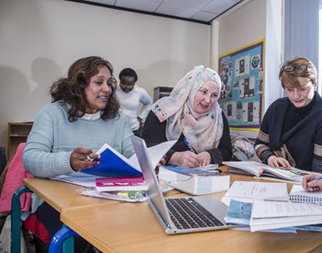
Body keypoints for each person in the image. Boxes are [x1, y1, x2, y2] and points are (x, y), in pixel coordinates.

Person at [22, 56, 134, 248]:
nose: (107, 89)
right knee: (80, 234)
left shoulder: (118, 119)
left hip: (110, 200)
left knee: (134, 230)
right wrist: (69, 162)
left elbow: (133, 153)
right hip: (60, 203)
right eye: (98, 82)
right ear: (78, 85)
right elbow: (30, 158)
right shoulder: (51, 114)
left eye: (109, 83)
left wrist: (147, 162)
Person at [142, 65, 232, 168]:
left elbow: (227, 151)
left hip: (203, 178)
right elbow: (147, 145)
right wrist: (173, 157)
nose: (208, 100)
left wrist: (210, 155)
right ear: (192, 89)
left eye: (214, 95)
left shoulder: (218, 116)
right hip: (166, 177)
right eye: (203, 91)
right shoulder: (163, 110)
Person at [255, 56, 322, 172]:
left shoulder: (319, 114)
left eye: (302, 89)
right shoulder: (276, 108)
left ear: (315, 84)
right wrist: (270, 157)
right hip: (277, 178)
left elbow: (319, 168)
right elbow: (259, 144)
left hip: (307, 183)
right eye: (290, 89)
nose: (296, 96)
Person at [116, 68, 152, 136]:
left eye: (130, 84)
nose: (126, 87)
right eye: (123, 84)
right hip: (115, 129)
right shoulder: (113, 89)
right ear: (120, 81)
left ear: (134, 83)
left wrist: (141, 117)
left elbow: (149, 103)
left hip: (133, 130)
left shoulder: (139, 92)